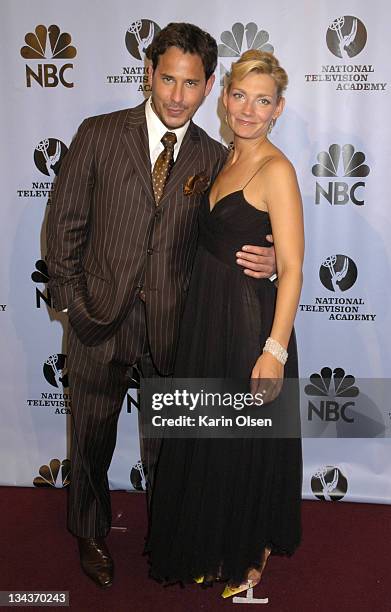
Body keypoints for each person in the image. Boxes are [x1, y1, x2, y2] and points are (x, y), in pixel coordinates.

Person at [46, 23, 276, 589]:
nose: (177, 96)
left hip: (178, 328)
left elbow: (225, 233)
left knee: (169, 448)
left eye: (191, 83)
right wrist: (75, 307)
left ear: (209, 87)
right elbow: (64, 229)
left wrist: (269, 262)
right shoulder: (98, 134)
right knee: (91, 437)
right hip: (100, 321)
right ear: (148, 74)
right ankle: (90, 532)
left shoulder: (216, 155)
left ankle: (171, 533)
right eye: (168, 79)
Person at [146, 50, 304, 599]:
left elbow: (295, 266)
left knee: (242, 439)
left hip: (246, 326)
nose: (249, 109)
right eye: (241, 95)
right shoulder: (219, 160)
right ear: (223, 97)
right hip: (206, 319)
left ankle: (247, 544)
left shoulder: (276, 169)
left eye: (263, 100)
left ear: (278, 108)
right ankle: (210, 541)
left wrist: (274, 351)